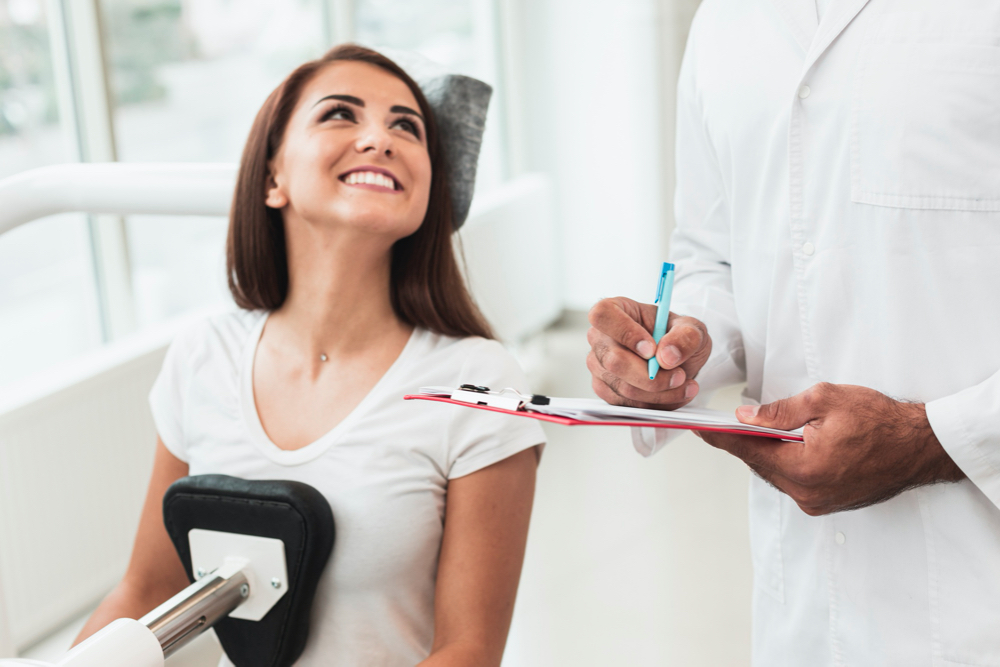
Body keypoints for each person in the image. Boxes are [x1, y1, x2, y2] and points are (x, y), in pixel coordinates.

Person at [75, 44, 545, 667]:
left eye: (407, 127)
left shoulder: (480, 383)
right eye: (341, 116)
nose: (380, 139)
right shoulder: (203, 356)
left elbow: (468, 652)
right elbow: (149, 589)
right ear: (273, 178)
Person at [587, 1, 1000, 664]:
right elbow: (712, 254)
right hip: (801, 610)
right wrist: (678, 342)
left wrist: (934, 439)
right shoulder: (724, 21)